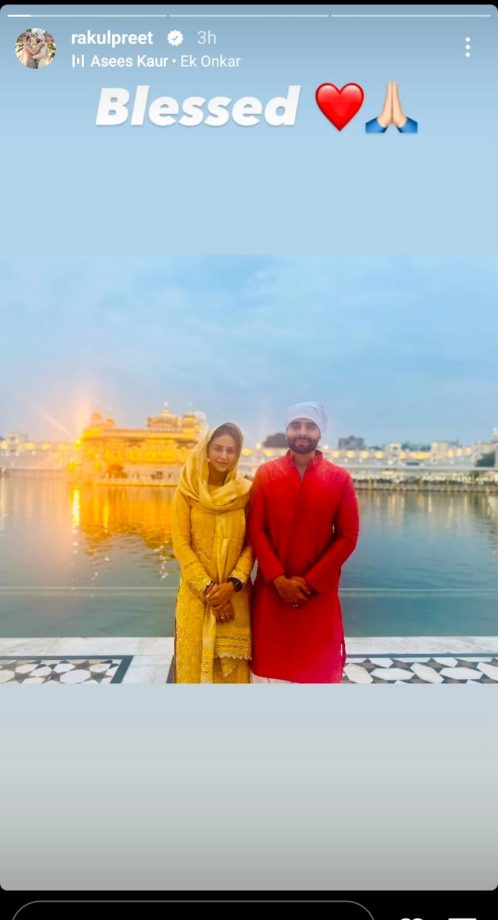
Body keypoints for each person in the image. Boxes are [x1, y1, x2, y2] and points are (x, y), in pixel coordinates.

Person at [247, 402, 360, 683]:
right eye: (296, 425)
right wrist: (277, 579)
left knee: (317, 670)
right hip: (272, 593)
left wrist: (310, 581)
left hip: (316, 595)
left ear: (320, 432)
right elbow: (256, 528)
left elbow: (347, 536)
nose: (302, 432)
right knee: (269, 672)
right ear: (286, 430)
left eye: (310, 426)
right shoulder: (266, 474)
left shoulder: (339, 479)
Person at [171, 422, 253, 683]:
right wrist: (210, 591)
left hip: (235, 595)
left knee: (231, 671)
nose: (224, 456)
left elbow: (252, 544)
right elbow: (181, 545)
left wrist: (233, 584)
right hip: (196, 596)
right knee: (194, 666)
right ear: (206, 450)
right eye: (218, 448)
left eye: (231, 450)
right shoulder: (187, 491)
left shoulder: (245, 492)